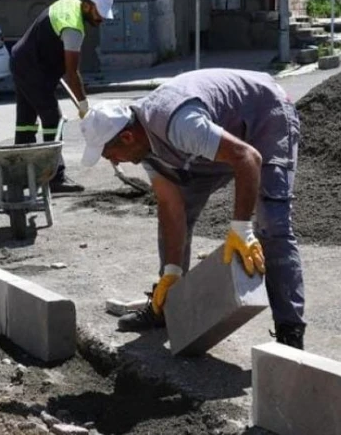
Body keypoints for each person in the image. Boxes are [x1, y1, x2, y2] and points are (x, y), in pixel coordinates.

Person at [79, 69, 307, 349]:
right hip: (222, 137)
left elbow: (247, 157)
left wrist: (242, 230)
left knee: (272, 223)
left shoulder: (179, 125)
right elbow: (171, 205)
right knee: (177, 211)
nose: (113, 161)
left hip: (264, 115)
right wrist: (172, 271)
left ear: (127, 138)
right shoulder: (145, 146)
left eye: (109, 154)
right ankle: (169, 303)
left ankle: (290, 332)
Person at [11, 0, 115, 194]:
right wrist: (83, 105)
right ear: (87, 6)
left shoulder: (68, 2)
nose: (100, 20)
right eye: (99, 15)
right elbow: (72, 72)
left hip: (21, 60)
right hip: (34, 69)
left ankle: (21, 176)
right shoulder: (74, 28)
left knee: (25, 121)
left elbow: (49, 38)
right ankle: (54, 177)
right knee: (53, 120)